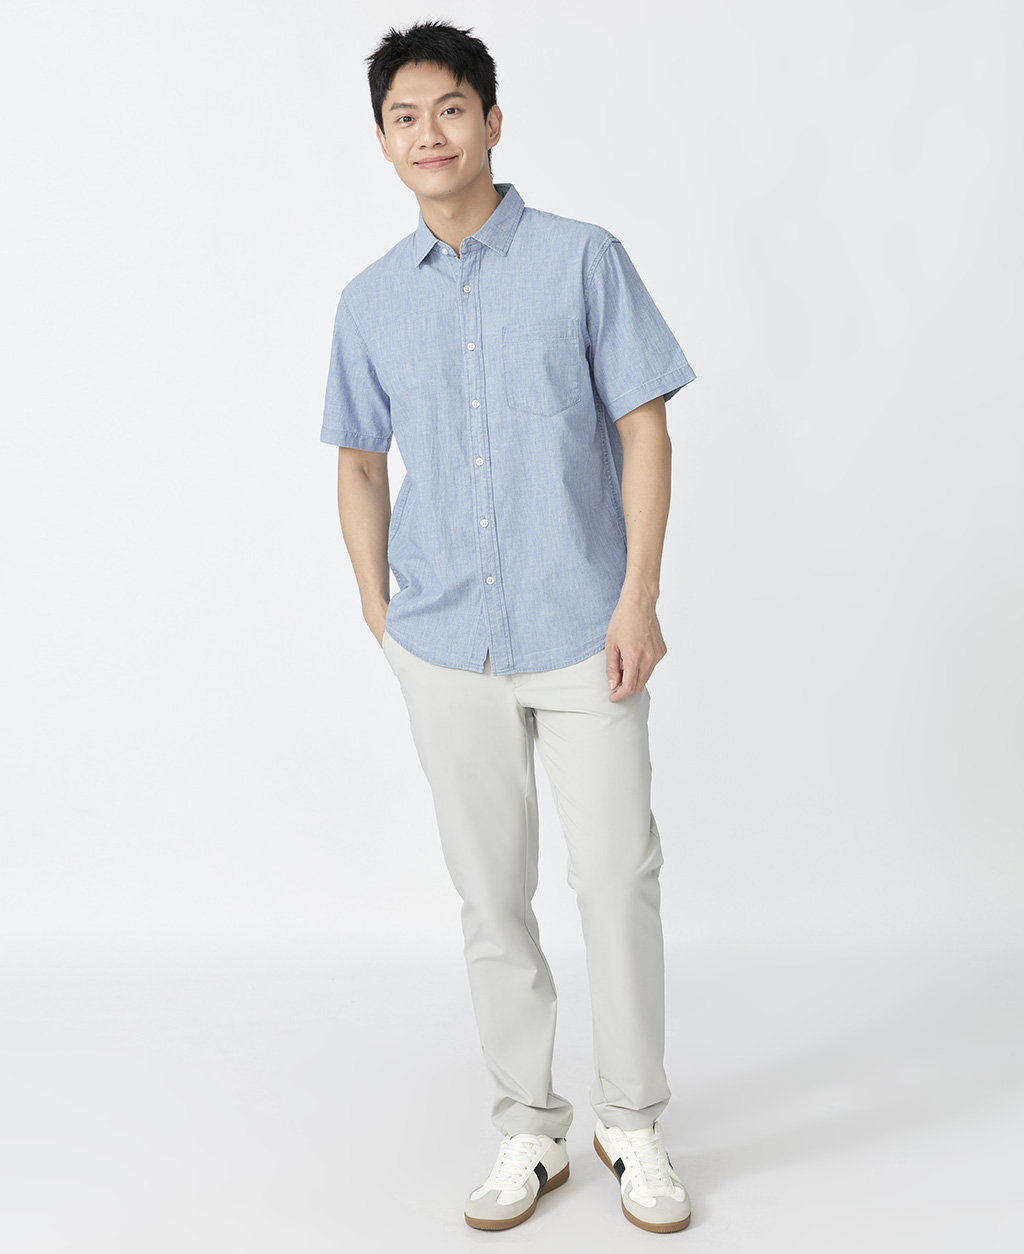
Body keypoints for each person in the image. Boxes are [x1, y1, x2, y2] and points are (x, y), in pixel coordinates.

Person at [320, 19, 696, 1235]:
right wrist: (379, 609)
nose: (428, 133)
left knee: (616, 876)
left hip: (586, 631)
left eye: (449, 109)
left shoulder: (583, 259)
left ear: (490, 120)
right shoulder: (370, 301)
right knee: (490, 897)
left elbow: (643, 426)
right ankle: (529, 1127)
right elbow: (358, 460)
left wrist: (637, 595)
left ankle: (630, 1122)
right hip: (445, 646)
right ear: (383, 142)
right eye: (404, 117)